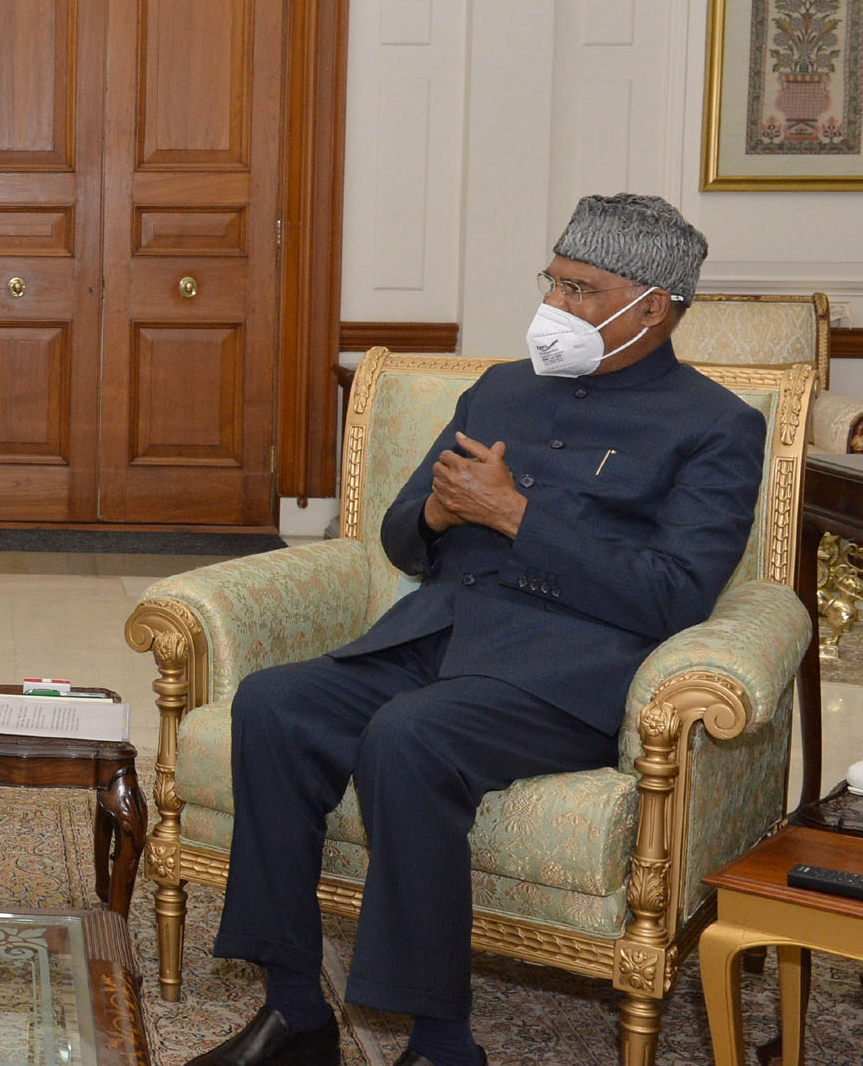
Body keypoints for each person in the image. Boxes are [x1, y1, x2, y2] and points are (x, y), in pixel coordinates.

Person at [190, 194, 766, 1066]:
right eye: (554, 282)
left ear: (653, 306)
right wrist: (434, 506)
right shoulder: (502, 388)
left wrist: (515, 516)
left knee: (408, 738)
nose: (556, 307)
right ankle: (296, 1012)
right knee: (274, 705)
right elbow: (399, 541)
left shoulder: (716, 426)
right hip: (439, 636)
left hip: (566, 671)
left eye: (581, 289)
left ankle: (443, 1043)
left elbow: (676, 596)